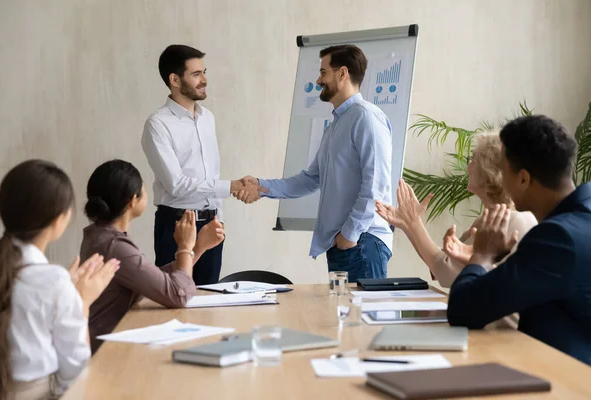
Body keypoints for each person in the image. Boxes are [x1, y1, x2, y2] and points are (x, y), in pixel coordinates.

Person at [235, 44, 393, 283]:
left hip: (362, 243)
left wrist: (350, 234)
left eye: (323, 72)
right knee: (344, 318)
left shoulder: (366, 117)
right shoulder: (337, 124)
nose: (319, 80)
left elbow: (376, 185)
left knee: (363, 319)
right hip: (344, 245)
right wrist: (261, 186)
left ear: (342, 73)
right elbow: (311, 179)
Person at [447, 115, 591, 366]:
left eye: (503, 171)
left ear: (523, 179)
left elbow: (463, 310)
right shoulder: (580, 219)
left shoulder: (557, 238)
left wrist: (482, 255)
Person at [0, 160, 118, 400]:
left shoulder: (22, 273)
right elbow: (76, 376)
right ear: (59, 219)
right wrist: (82, 303)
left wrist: (64, 294)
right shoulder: (53, 281)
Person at [141, 44, 263, 284]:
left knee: (209, 299)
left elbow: (211, 175)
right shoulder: (157, 125)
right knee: (174, 299)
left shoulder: (208, 118)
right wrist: (233, 186)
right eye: (196, 74)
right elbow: (176, 185)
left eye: (204, 72)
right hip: (177, 226)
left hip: (212, 224)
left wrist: (219, 216)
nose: (204, 79)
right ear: (174, 80)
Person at [80, 160, 225, 353]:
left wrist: (197, 247)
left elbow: (154, 280)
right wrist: (184, 246)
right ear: (133, 200)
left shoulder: (101, 236)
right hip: (106, 352)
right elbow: (177, 294)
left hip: (109, 342)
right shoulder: (114, 246)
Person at [375, 133, 537, 288]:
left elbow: (445, 270)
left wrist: (412, 223)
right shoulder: (487, 221)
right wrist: (407, 224)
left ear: (490, 171)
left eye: (473, 159)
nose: (468, 166)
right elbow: (440, 266)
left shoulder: (512, 221)